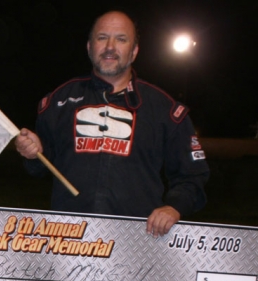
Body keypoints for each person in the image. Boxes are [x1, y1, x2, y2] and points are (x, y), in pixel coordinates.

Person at [15, 10, 210, 238]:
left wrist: (174, 206)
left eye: (121, 39)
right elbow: (39, 167)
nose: (110, 46)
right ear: (89, 47)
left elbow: (193, 175)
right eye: (102, 37)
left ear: (134, 51)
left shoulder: (164, 108)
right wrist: (33, 153)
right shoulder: (59, 101)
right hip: (68, 239)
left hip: (136, 242)